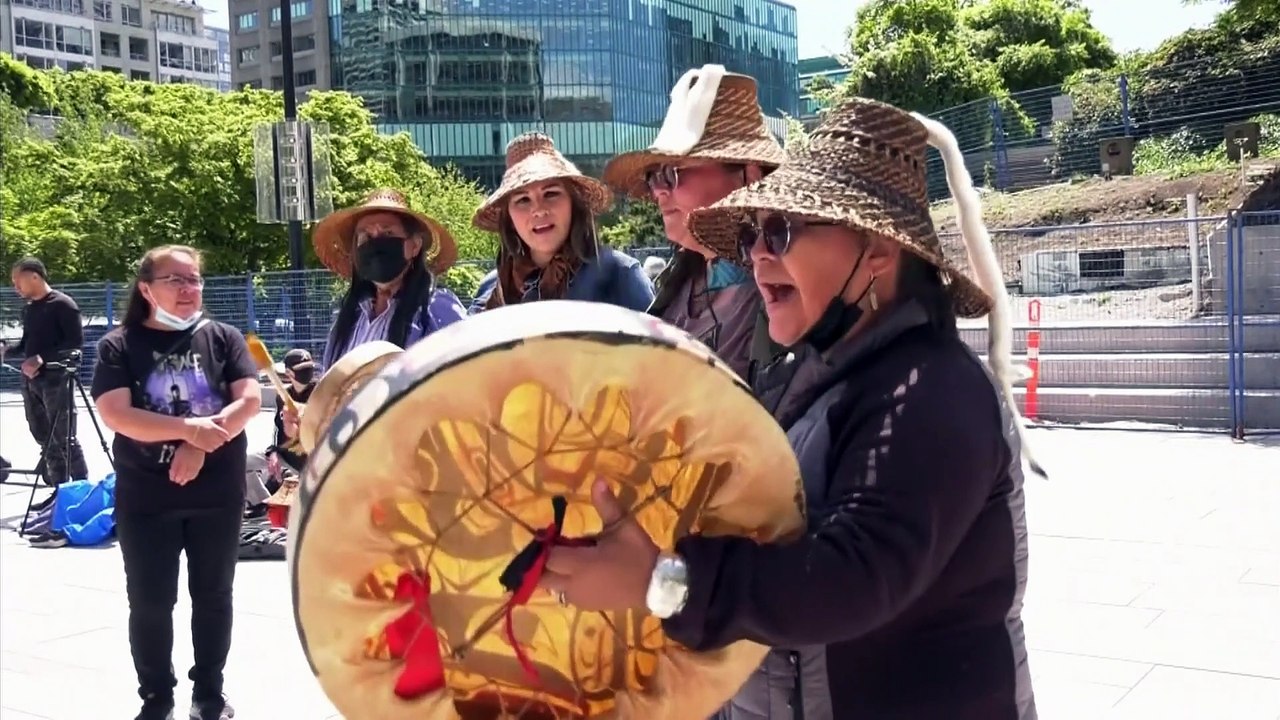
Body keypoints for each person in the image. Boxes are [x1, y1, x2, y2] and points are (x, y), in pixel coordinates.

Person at [539, 98, 1042, 719]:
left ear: (877, 251)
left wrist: (661, 582)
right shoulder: (822, 378)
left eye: (779, 233)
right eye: (751, 236)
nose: (755, 256)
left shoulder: (935, 388)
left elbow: (852, 578)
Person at [91, 244, 262, 720]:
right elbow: (117, 414)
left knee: (213, 596)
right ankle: (156, 696)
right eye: (176, 280)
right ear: (146, 289)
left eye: (195, 280)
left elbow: (248, 400)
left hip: (217, 495)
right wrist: (188, 429)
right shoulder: (118, 345)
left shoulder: (223, 337)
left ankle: (208, 692)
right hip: (147, 495)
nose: (189, 289)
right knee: (149, 601)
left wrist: (199, 444)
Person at [601, 65, 787, 383]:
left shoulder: (790, 286)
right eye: (654, 176)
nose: (658, 190)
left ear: (750, 174)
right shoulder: (683, 278)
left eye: (674, 172)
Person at [467, 132, 654, 312]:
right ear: (508, 217)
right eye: (522, 200)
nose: (539, 210)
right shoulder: (490, 290)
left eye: (551, 194)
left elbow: (661, 344)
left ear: (575, 203)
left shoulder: (618, 275)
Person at [312, 188, 469, 369]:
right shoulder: (349, 318)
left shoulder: (437, 310)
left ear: (415, 246)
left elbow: (466, 377)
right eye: (366, 236)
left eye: (388, 234)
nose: (375, 244)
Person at [3, 257, 89, 485]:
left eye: (17, 280)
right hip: (31, 382)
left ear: (34, 276)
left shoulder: (63, 305)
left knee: (65, 439)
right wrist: (7, 351)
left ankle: (82, 490)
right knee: (44, 438)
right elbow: (27, 345)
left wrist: (42, 358)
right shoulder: (30, 310)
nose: (15, 287)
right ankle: (58, 493)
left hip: (57, 381)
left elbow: (75, 343)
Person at [244, 348, 315, 519]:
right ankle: (264, 503)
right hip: (287, 456)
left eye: (309, 367)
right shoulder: (282, 395)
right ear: (289, 373)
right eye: (302, 369)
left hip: (312, 462)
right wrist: (274, 452)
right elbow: (277, 430)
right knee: (243, 463)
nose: (308, 372)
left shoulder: (319, 394)